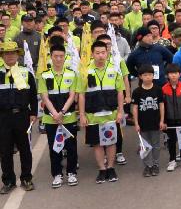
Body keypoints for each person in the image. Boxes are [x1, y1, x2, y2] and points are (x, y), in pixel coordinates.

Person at [79, 40, 126, 184]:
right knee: (97, 144)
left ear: (107, 53)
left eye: (103, 52)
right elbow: (81, 94)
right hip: (93, 116)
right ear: (92, 54)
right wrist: (81, 115)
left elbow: (120, 92)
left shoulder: (114, 69)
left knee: (111, 142)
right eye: (97, 53)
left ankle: (111, 168)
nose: (100, 55)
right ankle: (102, 169)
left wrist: (120, 111)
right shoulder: (85, 71)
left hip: (111, 114)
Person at [38, 44, 80, 188]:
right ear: (51, 57)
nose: (58, 59)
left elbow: (72, 96)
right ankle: (57, 174)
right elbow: (45, 97)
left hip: (68, 117)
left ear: (65, 57)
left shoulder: (72, 74)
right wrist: (55, 114)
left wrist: (62, 112)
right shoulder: (44, 75)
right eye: (55, 56)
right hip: (51, 119)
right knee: (54, 147)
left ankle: (71, 172)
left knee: (71, 147)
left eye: (61, 56)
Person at [131, 64, 163, 177]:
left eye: (150, 75)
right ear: (140, 77)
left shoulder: (158, 89)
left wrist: (162, 120)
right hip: (142, 123)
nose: (148, 77)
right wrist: (136, 123)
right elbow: (134, 108)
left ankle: (155, 164)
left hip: (155, 122)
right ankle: (147, 166)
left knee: (156, 145)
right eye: (145, 75)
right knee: (144, 146)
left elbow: (161, 105)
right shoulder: (137, 92)